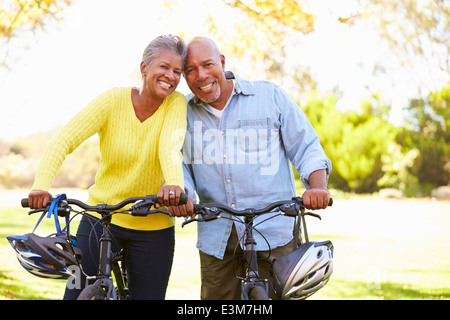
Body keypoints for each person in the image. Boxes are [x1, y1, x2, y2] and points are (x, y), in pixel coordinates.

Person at [169, 37, 332, 300]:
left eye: (208, 64)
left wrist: (317, 188)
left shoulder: (270, 96)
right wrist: (183, 193)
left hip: (275, 229)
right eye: (190, 70)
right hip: (217, 236)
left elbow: (307, 147)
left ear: (222, 62)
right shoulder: (182, 111)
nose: (201, 75)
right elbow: (176, 161)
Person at [27, 34, 188, 300]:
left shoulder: (176, 103)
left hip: (154, 225)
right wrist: (40, 186)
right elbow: (64, 139)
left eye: (177, 71)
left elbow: (169, 146)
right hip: (100, 219)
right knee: (75, 293)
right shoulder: (113, 101)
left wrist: (174, 184)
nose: (171, 76)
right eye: (164, 67)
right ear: (144, 67)